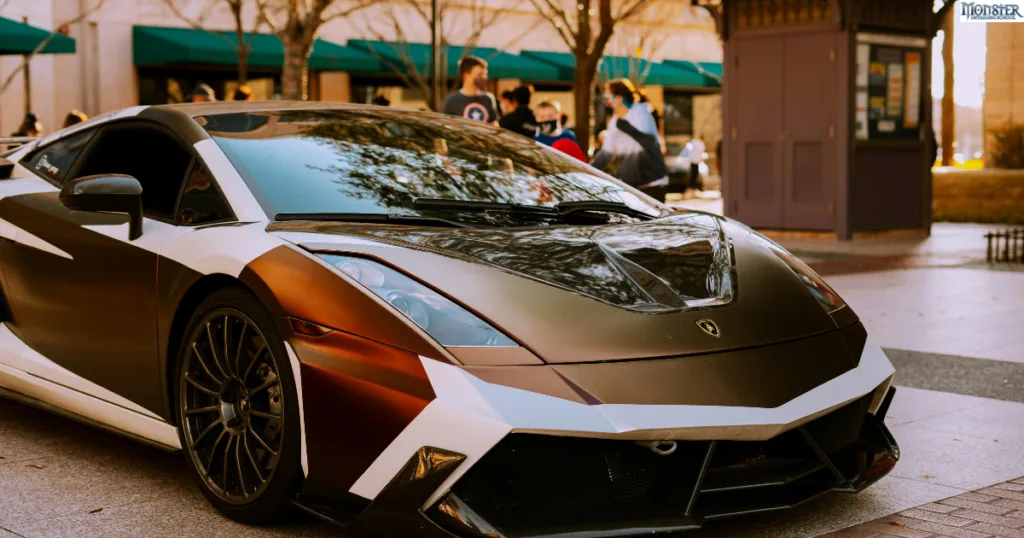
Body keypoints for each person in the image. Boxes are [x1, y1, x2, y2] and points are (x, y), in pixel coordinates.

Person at [589, 79, 668, 191]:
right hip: (631, 188)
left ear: (619, 98)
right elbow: (606, 155)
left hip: (653, 183)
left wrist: (628, 128)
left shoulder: (642, 114)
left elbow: (650, 143)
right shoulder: (614, 123)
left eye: (607, 99)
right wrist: (586, 171)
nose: (606, 104)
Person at [442, 56, 498, 124]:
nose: (484, 78)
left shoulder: (488, 98)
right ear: (466, 76)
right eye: (479, 75)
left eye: (485, 74)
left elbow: (494, 125)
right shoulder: (451, 101)